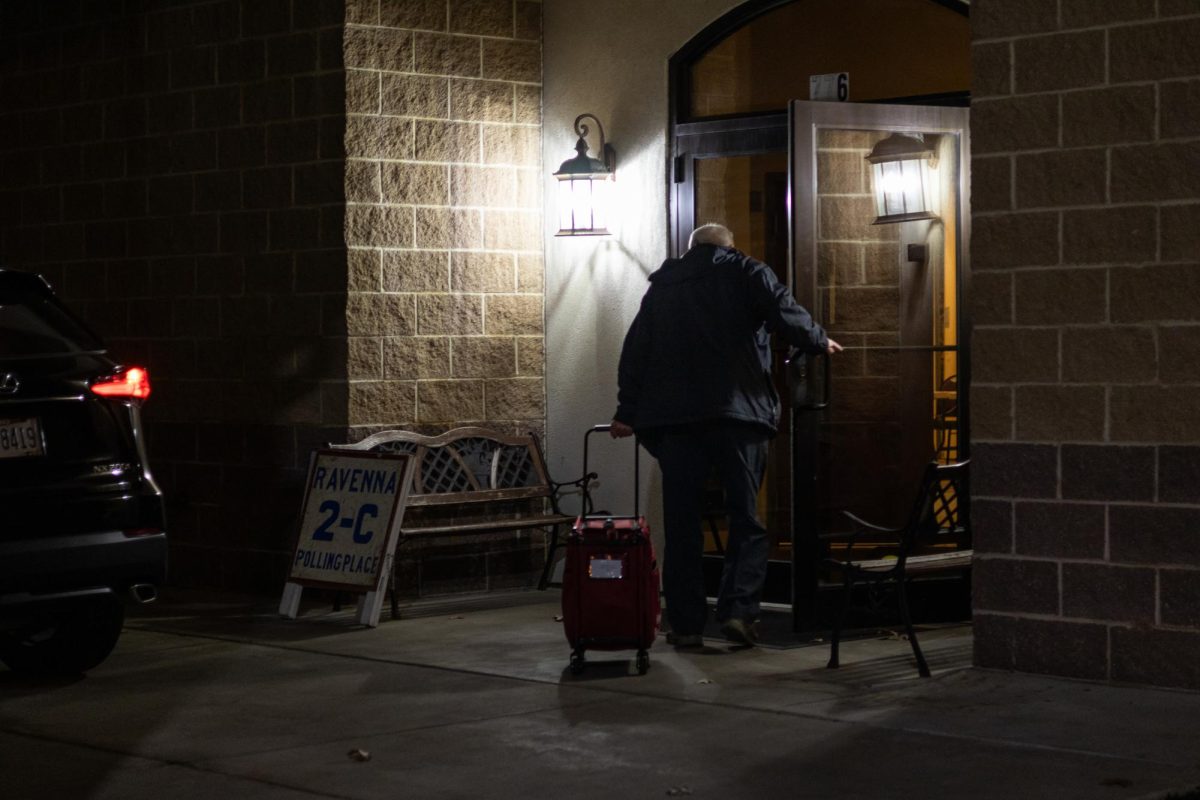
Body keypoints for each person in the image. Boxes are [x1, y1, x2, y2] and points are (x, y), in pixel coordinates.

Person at [611, 223, 841, 647]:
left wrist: (627, 412)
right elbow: (782, 310)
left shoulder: (662, 287)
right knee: (745, 519)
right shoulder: (747, 271)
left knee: (682, 526)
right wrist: (817, 340)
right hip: (738, 415)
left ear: (691, 247)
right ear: (730, 247)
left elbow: (635, 353)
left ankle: (685, 625)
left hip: (677, 423)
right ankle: (738, 612)